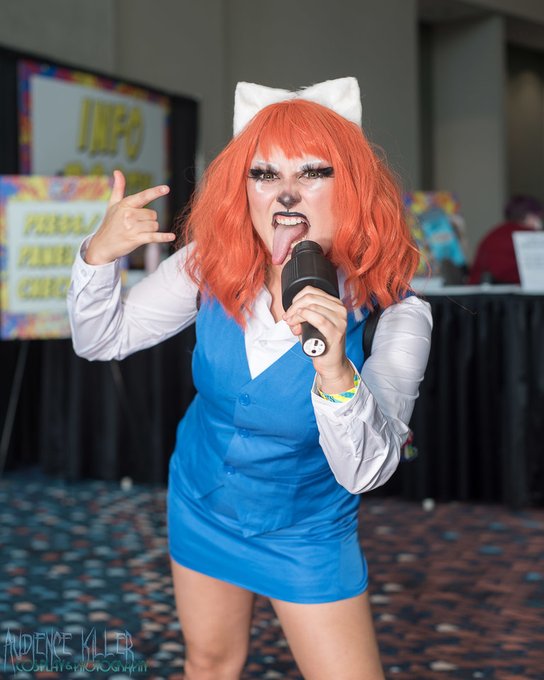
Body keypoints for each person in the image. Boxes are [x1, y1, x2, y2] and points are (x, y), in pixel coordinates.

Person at [68, 77, 432, 680]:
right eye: (265, 174)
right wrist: (98, 256)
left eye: (313, 172)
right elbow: (101, 339)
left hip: (305, 530)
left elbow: (366, 471)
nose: (286, 193)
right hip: (201, 501)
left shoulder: (395, 312)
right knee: (210, 663)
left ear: (353, 187)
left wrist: (334, 368)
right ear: (243, 190)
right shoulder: (208, 266)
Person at [468, 195, 544, 284]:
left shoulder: (495, 233)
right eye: (538, 217)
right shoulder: (528, 235)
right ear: (529, 216)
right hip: (505, 288)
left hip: (478, 287)